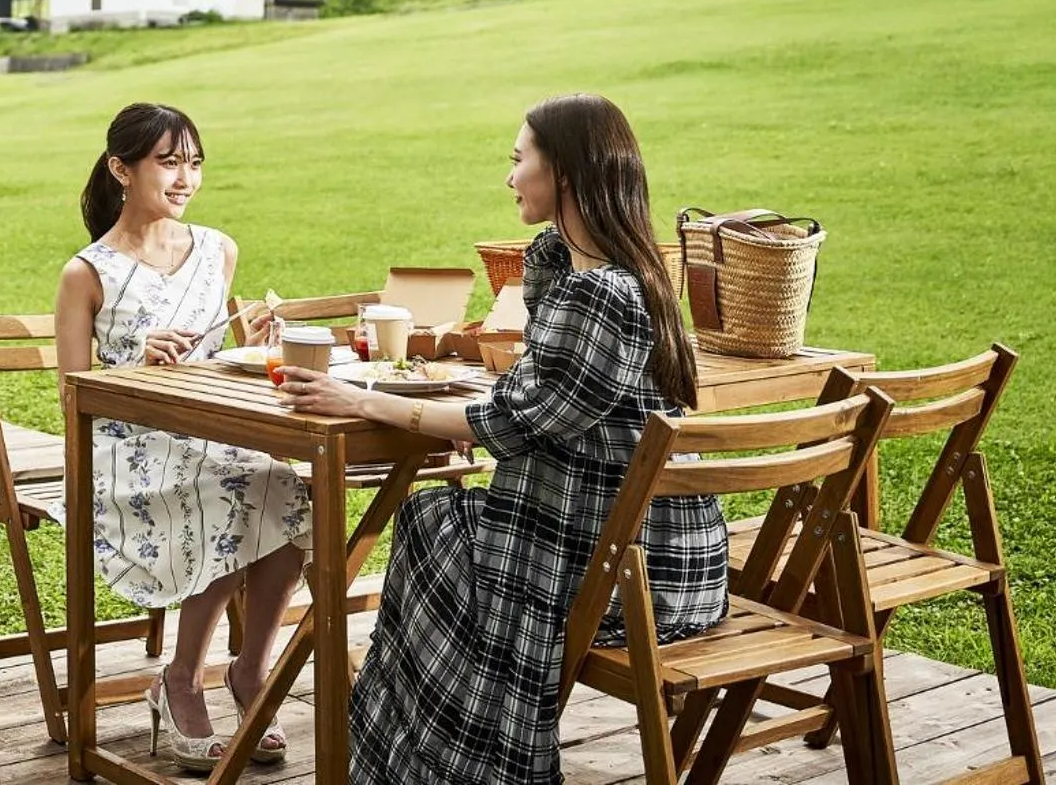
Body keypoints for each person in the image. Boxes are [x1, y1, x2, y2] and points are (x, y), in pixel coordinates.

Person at [277, 93, 728, 785]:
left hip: (631, 580)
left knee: (429, 528)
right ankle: (453, 756)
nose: (509, 177)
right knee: (434, 520)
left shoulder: (602, 294)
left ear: (564, 174)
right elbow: (539, 401)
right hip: (654, 555)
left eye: (519, 161)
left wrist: (361, 400)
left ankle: (457, 764)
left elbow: (515, 423)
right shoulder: (614, 276)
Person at [54, 101, 311, 774]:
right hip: (126, 448)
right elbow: (72, 395)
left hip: (210, 434)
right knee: (232, 492)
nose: (185, 178)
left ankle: (250, 671)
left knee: (289, 494)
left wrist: (252, 340)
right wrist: (135, 365)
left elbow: (215, 358)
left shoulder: (218, 250)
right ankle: (181, 680)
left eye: (194, 163)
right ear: (121, 169)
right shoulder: (87, 273)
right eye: (168, 163)